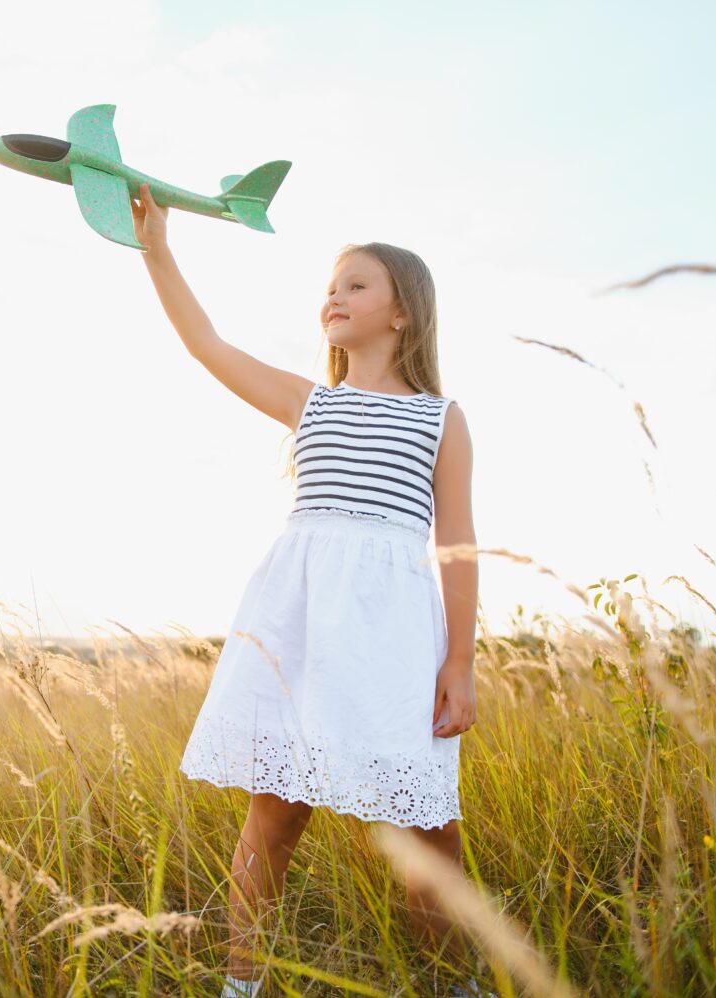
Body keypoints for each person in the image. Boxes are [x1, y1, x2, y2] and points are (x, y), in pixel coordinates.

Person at [130, 183, 489, 998]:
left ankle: (449, 985)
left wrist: (459, 663)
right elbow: (205, 344)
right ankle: (242, 985)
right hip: (299, 627)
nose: (335, 294)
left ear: (402, 312)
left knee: (428, 829)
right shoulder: (309, 401)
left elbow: (457, 546)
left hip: (394, 635)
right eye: (331, 284)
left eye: (356, 283)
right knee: (276, 814)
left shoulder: (441, 419)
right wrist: (158, 248)